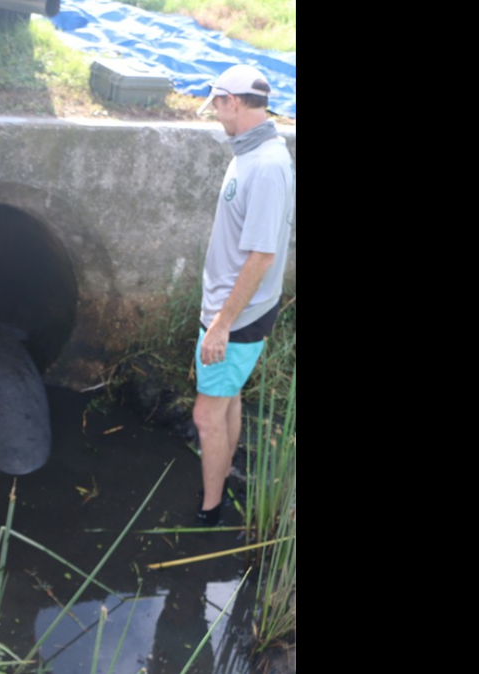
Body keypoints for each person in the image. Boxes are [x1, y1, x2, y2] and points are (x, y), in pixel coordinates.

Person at [191, 64, 294, 527]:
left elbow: (261, 257)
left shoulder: (268, 166)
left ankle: (210, 509)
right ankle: (224, 480)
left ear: (233, 101)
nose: (215, 113)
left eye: (217, 103)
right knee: (227, 399)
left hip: (236, 316)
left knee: (206, 415)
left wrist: (221, 323)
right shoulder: (251, 153)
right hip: (232, 311)